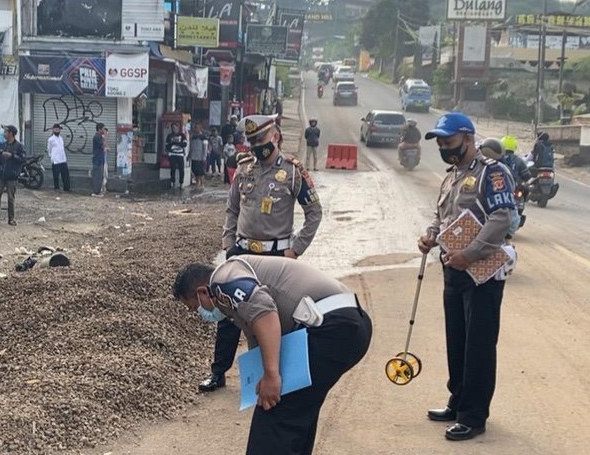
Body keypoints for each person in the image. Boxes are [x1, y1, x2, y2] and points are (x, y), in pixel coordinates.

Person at [173, 256, 372, 454]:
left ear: (201, 292)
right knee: (295, 415)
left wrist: (271, 375)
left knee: (274, 417)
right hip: (347, 326)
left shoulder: (223, 280)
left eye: (193, 307)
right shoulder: (234, 285)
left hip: (331, 328)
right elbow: (259, 334)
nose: (198, 313)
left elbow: (264, 312)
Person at [199, 114, 323, 393]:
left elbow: (314, 213)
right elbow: (232, 209)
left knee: (278, 316)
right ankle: (218, 373)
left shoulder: (293, 172)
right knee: (229, 313)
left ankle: (279, 377)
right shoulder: (245, 169)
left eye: (262, 140)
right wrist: (228, 243)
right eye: (252, 141)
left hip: (277, 258)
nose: (257, 146)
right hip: (242, 253)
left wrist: (296, 250)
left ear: (275, 136)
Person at [418, 113, 516, 441]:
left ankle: (474, 416)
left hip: (482, 273)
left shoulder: (493, 173)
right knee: (456, 340)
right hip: (453, 269)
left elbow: (502, 218)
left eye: (449, 142)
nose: (444, 148)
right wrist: (430, 236)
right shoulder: (451, 177)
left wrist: (470, 254)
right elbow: (441, 216)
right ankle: (457, 401)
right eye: (441, 144)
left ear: (468, 138)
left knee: (479, 345)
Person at [0, 125, 25, 226]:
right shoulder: (2, 145)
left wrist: (12, 156)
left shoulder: (19, 146)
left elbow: (23, 159)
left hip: (12, 176)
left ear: (11, 133)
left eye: (6, 132)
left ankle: (11, 218)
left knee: (10, 198)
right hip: (1, 175)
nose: (4, 134)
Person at [47, 123, 71, 192]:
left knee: (65, 174)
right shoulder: (51, 139)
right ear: (53, 130)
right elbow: (49, 149)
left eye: (58, 129)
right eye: (56, 129)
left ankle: (66, 188)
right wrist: (51, 157)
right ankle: (56, 187)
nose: (57, 131)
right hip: (55, 160)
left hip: (63, 159)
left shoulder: (61, 138)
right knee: (56, 175)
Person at [166, 122, 187, 190]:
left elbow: (185, 144)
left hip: (180, 154)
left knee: (181, 169)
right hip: (172, 154)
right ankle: (172, 182)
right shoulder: (169, 136)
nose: (174, 129)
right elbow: (167, 145)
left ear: (178, 128)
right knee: (173, 169)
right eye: (173, 128)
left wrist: (177, 143)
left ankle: (181, 183)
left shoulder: (182, 135)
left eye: (175, 128)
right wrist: (170, 149)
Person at [189, 124, 208, 188]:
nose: (195, 129)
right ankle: (198, 183)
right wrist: (189, 155)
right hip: (193, 156)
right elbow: (191, 147)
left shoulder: (203, 137)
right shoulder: (193, 137)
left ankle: (201, 184)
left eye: (196, 128)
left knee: (200, 171)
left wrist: (204, 157)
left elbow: (205, 148)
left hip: (200, 157)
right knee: (195, 170)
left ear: (200, 128)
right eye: (195, 128)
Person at [92, 123, 107, 197]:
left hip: (101, 159)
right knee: (97, 176)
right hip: (97, 159)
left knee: (100, 175)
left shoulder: (100, 137)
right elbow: (103, 146)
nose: (104, 130)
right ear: (100, 129)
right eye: (103, 129)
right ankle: (96, 192)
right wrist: (105, 137)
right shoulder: (97, 137)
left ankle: (98, 191)